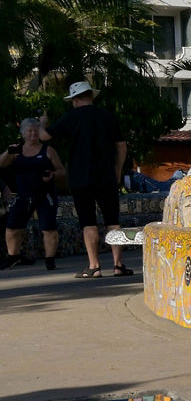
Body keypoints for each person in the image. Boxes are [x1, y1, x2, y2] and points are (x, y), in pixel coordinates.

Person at [39, 81, 131, 278]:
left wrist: (42, 123)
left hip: (81, 177)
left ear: (76, 99)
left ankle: (94, 266)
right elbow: (122, 146)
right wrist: (117, 170)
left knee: (87, 222)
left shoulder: (70, 117)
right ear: (91, 96)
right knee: (113, 221)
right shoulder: (108, 117)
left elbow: (44, 137)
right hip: (106, 176)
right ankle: (118, 265)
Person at [0, 118, 64, 270]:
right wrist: (8, 151)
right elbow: (1, 164)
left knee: (48, 228)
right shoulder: (17, 150)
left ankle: (50, 259)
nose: (33, 134)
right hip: (24, 196)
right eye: (29, 131)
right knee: (12, 228)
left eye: (36, 130)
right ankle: (13, 256)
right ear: (23, 133)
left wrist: (53, 175)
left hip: (45, 195)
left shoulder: (48, 150)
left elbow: (62, 170)